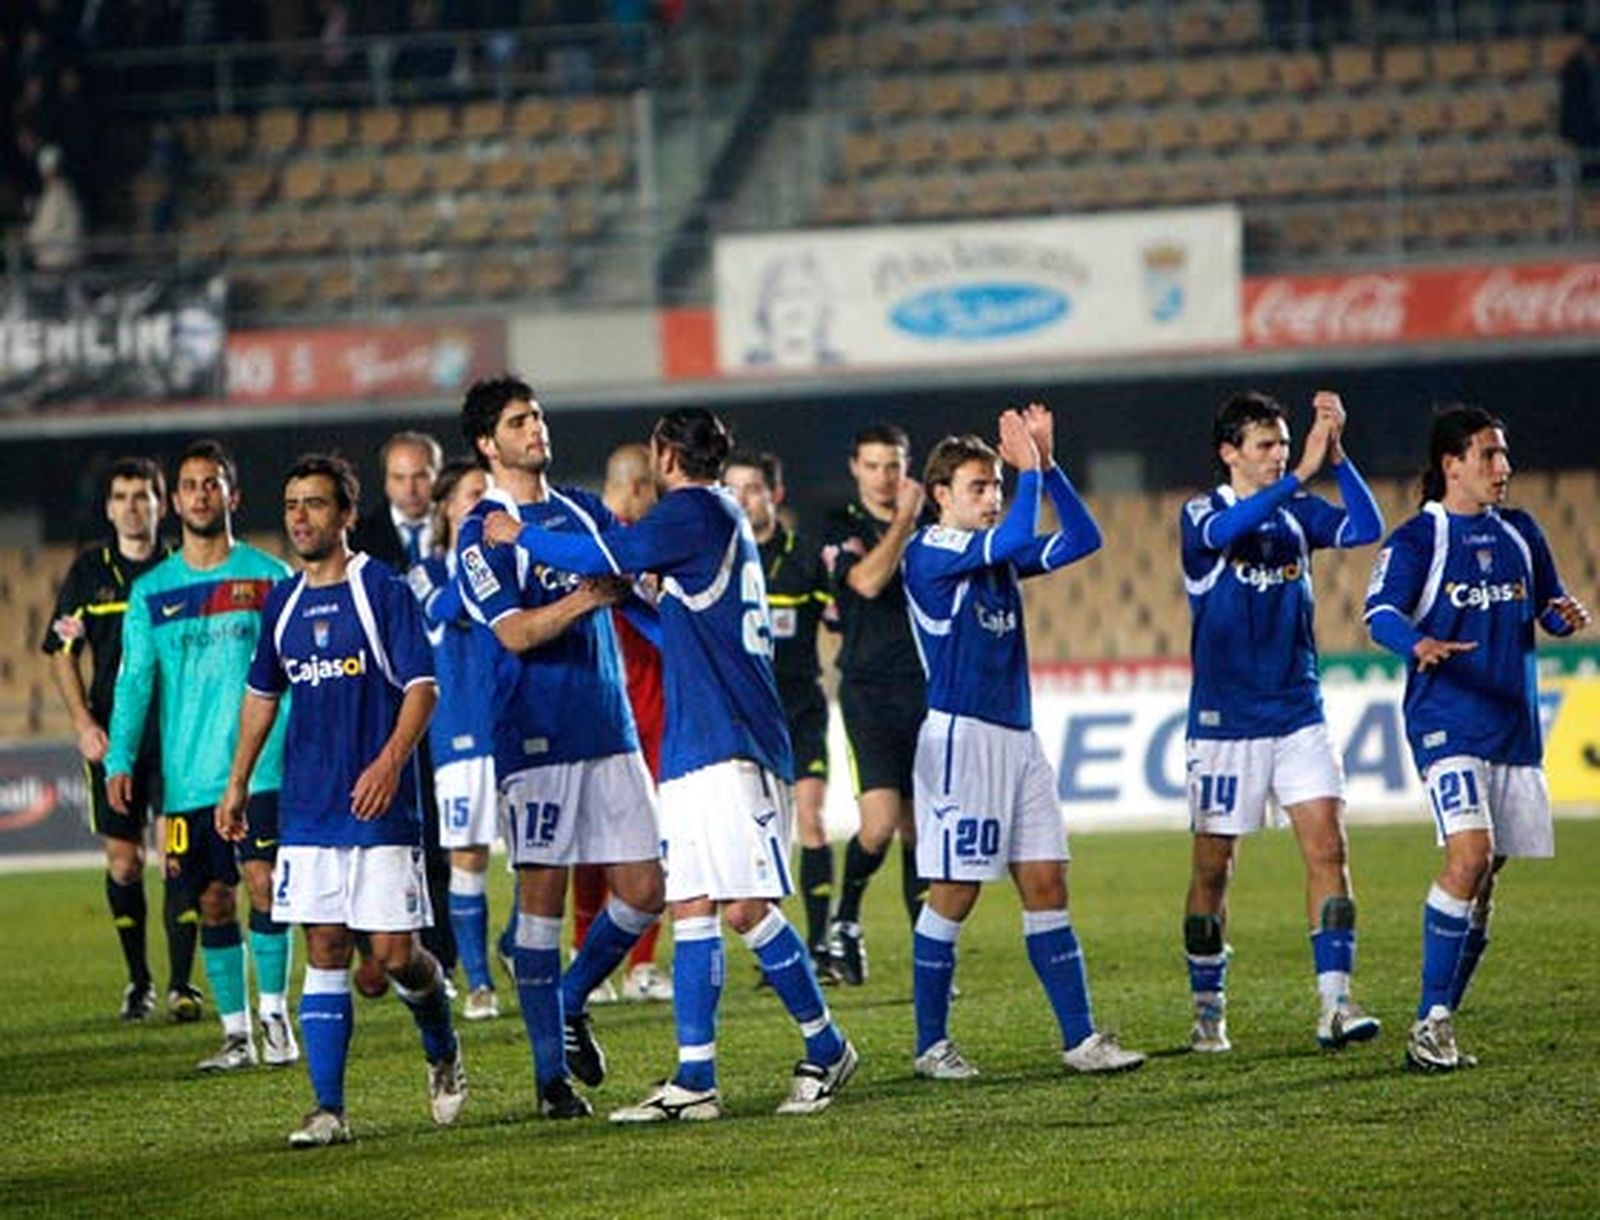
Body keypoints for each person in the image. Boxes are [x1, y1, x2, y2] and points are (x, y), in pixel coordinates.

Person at [484, 406, 858, 1122]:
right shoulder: (710, 519)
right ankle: (695, 1081)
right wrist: (626, 604)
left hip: (731, 739)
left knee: (744, 906)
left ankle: (827, 1046)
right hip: (701, 742)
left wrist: (519, 534)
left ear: (665, 455)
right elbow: (676, 623)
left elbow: (601, 558)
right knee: (692, 904)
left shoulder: (693, 512)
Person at [217, 453, 465, 1147]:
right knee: (324, 945)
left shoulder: (380, 590)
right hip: (309, 810)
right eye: (292, 504)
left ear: (347, 515)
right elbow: (263, 696)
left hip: (380, 807)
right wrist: (237, 780)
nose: (300, 516)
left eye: (316, 504)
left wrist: (390, 762)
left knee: (393, 956)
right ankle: (328, 1109)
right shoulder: (284, 602)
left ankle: (441, 1043)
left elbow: (423, 687)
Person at [902, 405, 1144, 1080]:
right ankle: (930, 1045)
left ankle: (1080, 1038)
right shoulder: (930, 553)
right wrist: (1025, 472)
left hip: (1018, 740)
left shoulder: (997, 553)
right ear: (940, 496)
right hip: (963, 737)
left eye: (996, 488)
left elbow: (1085, 537)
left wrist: (1048, 467)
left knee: (1046, 880)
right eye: (978, 487)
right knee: (954, 891)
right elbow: (1011, 540)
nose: (992, 497)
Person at [456, 376, 666, 1120]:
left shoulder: (578, 508)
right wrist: (586, 596)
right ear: (489, 443)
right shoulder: (482, 529)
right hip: (536, 739)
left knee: (648, 889)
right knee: (540, 906)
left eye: (537, 415)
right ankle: (551, 1080)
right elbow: (512, 632)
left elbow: (634, 581)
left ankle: (572, 999)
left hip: (608, 728)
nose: (536, 428)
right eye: (519, 421)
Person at [1364, 405, 1591, 1072]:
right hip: (1446, 722)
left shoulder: (1521, 531)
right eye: (1489, 455)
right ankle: (1431, 1020)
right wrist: (1419, 642)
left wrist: (1562, 614)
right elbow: (1378, 613)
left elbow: (1548, 603)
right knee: (1470, 855)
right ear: (1451, 465)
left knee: (1486, 878)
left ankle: (1439, 1020)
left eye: (1505, 454)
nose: (1504, 467)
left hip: (1514, 728)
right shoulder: (1418, 540)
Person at [1179, 391, 1385, 1054]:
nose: (1279, 456)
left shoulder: (1297, 512)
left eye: (1284, 444)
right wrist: (1300, 473)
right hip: (1224, 723)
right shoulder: (1200, 513)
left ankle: (1335, 1003)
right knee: (1214, 868)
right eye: (1265, 445)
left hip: (1299, 710)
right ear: (1229, 452)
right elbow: (1222, 536)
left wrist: (1340, 456)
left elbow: (1364, 526)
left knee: (1329, 848)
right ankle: (1208, 1006)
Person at [106, 439, 297, 1072]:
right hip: (188, 780)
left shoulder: (269, 578)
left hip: (262, 768)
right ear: (176, 501)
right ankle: (235, 1032)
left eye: (211, 484)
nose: (200, 494)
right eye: (189, 485)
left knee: (264, 885)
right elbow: (135, 683)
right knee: (213, 899)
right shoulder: (153, 591)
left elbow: (295, 674)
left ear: (231, 496)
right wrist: (120, 761)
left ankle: (275, 1018)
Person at [43, 457, 186, 1021]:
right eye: (121, 496)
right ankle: (139, 980)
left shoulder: (181, 568)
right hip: (115, 740)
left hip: (177, 737)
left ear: (160, 503)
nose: (132, 505)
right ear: (109, 508)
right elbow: (60, 653)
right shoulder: (88, 573)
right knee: (125, 865)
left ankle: (182, 986)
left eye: (142, 495)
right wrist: (83, 723)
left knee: (178, 860)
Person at [724, 448, 840, 980]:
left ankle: (822, 946)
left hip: (801, 710)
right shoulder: (720, 560)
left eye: (753, 488)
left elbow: (840, 619)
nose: (744, 499)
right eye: (734, 488)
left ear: (776, 494)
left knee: (811, 820)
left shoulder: (804, 557)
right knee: (762, 837)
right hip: (746, 720)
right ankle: (780, 952)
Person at [819, 422, 928, 985]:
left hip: (926, 689)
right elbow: (863, 581)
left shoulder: (933, 524)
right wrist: (906, 521)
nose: (885, 477)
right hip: (867, 690)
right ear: (855, 468)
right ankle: (846, 920)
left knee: (919, 830)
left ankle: (928, 955)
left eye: (894, 465)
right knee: (880, 824)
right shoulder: (840, 525)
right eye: (874, 465)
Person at [350, 430, 457, 988]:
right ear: (384, 481)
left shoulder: (461, 528)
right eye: (400, 477)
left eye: (421, 475)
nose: (412, 488)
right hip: (393, 705)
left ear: (436, 477)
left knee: (450, 840)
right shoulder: (362, 540)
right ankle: (380, 949)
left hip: (461, 701)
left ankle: (448, 962)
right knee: (391, 827)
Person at [567, 442, 672, 1005]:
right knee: (592, 844)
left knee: (648, 843)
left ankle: (641, 964)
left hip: (652, 713)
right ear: (636, 488)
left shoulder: (650, 550)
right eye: (652, 488)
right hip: (606, 712)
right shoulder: (595, 549)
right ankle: (594, 958)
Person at [407, 458, 502, 1021]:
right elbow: (445, 608)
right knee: (467, 856)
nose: (485, 503)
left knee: (544, 854)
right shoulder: (426, 569)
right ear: (447, 507)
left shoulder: (512, 559)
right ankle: (481, 983)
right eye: (473, 495)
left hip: (514, 722)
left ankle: (516, 942)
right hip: (461, 731)